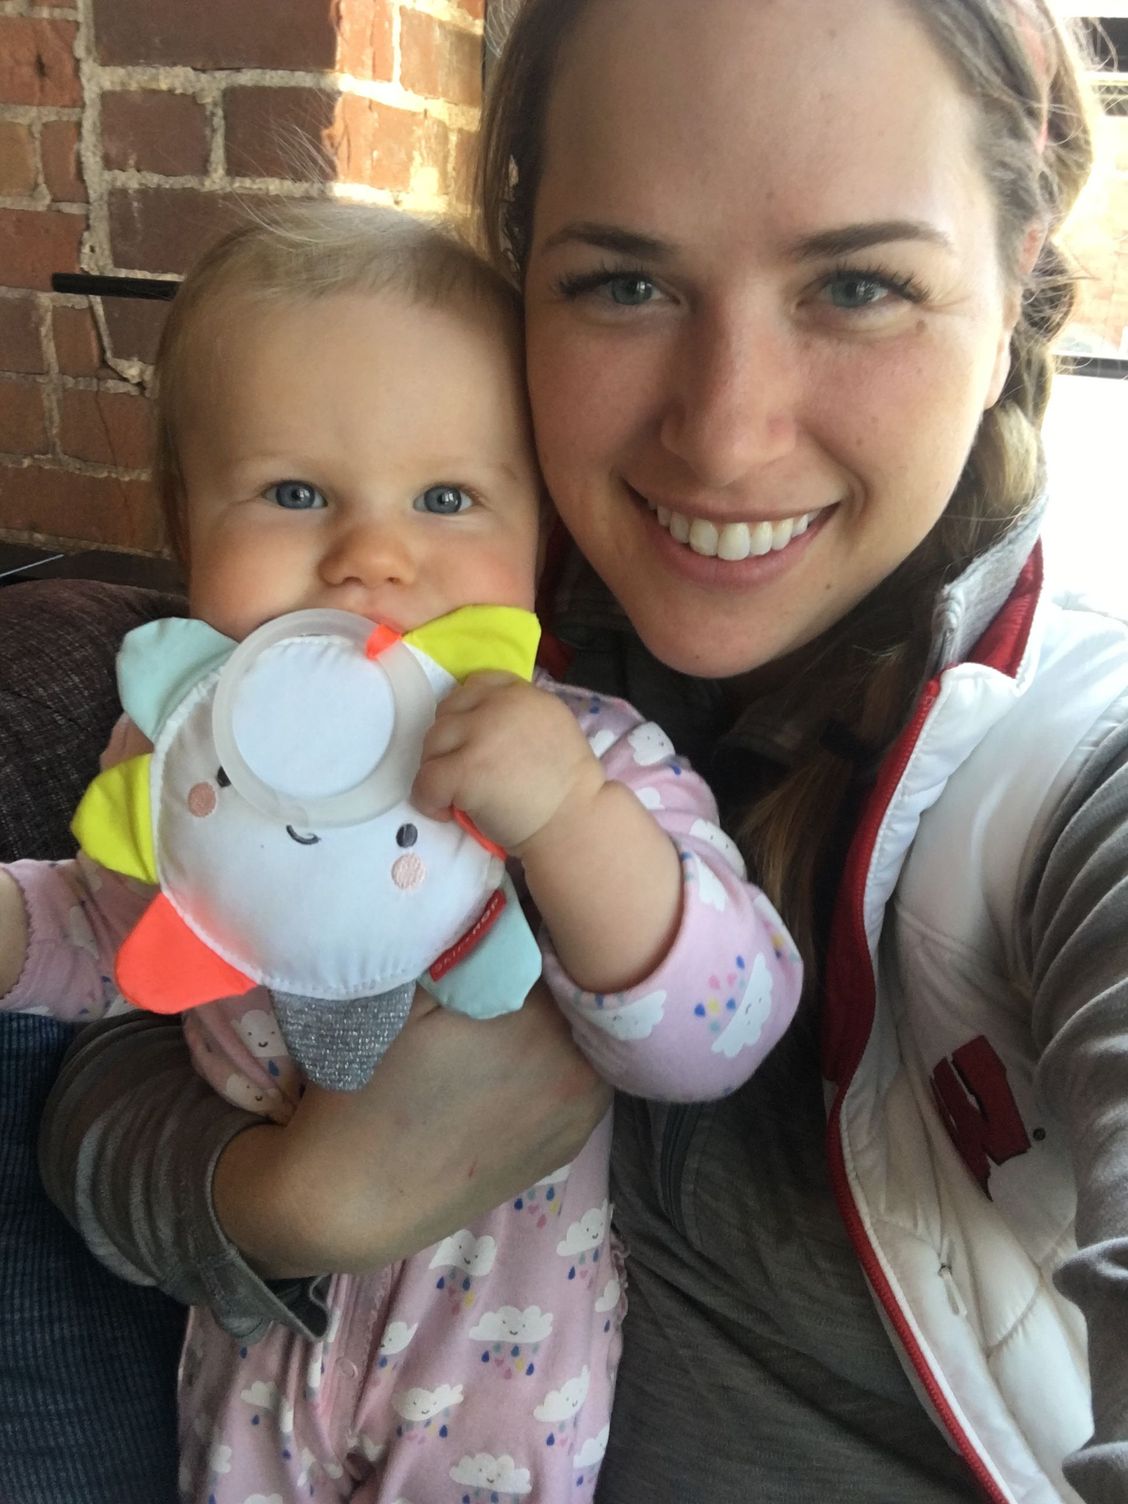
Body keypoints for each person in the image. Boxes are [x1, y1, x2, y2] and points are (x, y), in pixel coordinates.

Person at [31, 0, 1126, 1498]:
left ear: (1015, 284)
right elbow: (109, 1051)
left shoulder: (1081, 788)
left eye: (860, 284)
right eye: (624, 282)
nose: (726, 434)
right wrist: (300, 1202)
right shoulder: (412, 641)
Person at [0, 202, 801, 1501]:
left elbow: (720, 1030)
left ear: (540, 539)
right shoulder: (181, 764)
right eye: (294, 493)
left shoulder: (585, 751)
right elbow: (110, 941)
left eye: (446, 498)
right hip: (256, 1356)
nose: (372, 557)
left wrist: (568, 821)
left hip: (498, 1381)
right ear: (186, 530)